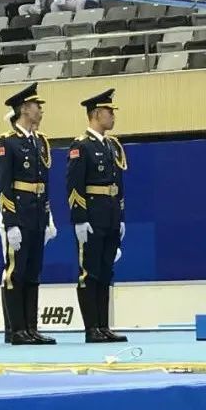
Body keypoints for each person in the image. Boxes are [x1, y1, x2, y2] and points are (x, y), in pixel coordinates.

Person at [0, 83, 58, 345]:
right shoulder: (8, 142)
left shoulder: (39, 142)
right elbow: (3, 184)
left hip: (37, 213)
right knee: (16, 272)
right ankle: (17, 329)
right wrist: (10, 222)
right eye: (36, 106)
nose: (40, 111)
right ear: (23, 109)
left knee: (33, 272)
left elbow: (43, 183)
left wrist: (48, 216)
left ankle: (31, 327)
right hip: (18, 214)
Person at [67, 89, 128, 343]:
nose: (113, 116)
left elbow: (118, 183)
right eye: (109, 112)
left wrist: (121, 215)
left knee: (105, 272)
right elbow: (74, 185)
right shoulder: (81, 146)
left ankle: (104, 325)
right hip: (92, 215)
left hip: (110, 214)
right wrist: (79, 218)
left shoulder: (112, 146)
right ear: (96, 114)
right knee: (89, 273)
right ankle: (91, 327)